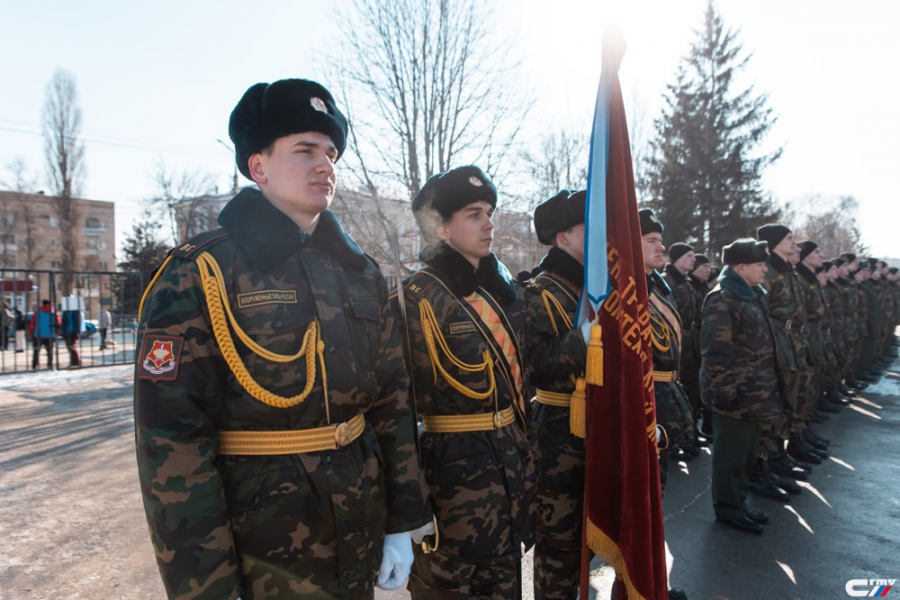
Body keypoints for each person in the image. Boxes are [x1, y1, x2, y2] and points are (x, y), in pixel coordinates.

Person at [134, 78, 431, 599]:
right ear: (259, 166)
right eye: (305, 150)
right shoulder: (200, 273)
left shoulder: (360, 274)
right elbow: (173, 446)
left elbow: (392, 401)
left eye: (331, 152)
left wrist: (401, 521)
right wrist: (207, 588)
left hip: (356, 539)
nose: (325, 165)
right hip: (262, 555)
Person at [397, 165, 534, 598]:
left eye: (489, 211)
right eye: (474, 213)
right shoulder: (415, 298)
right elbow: (394, 409)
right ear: (441, 228)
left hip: (509, 474)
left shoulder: (502, 293)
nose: (490, 223)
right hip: (450, 489)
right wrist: (407, 504)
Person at [525, 189, 588, 599]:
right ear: (563, 237)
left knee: (592, 541)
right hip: (559, 435)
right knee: (559, 548)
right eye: (593, 229)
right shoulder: (538, 291)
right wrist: (583, 341)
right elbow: (531, 364)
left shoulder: (602, 287)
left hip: (602, 428)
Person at [701, 239, 780, 534]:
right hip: (734, 395)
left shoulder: (751, 294)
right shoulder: (723, 298)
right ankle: (728, 509)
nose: (765, 270)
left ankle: (739, 503)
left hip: (754, 394)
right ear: (741, 267)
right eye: (760, 266)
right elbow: (716, 352)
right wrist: (724, 393)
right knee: (730, 457)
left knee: (746, 455)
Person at [640, 209, 695, 472]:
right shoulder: (623, 290)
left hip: (665, 397)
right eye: (651, 240)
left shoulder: (659, 288)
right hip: (645, 402)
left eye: (660, 240)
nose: (661, 246)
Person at [662, 243, 705, 448]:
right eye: (689, 256)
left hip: (691, 340)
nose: (694, 259)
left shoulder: (686, 282)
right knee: (680, 387)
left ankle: (692, 431)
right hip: (676, 340)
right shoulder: (666, 281)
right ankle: (679, 439)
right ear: (677, 258)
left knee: (692, 386)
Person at [29, 300, 59, 370]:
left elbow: (32, 324)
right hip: (50, 335)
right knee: (49, 351)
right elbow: (58, 323)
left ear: (42, 304)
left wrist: (31, 334)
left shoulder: (37, 313)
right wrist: (56, 333)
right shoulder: (54, 313)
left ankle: (34, 364)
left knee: (36, 351)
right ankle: (50, 364)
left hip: (38, 335)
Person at [61, 302, 84, 368]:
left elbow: (78, 322)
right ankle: (73, 361)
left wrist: (78, 331)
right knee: (69, 347)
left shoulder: (77, 311)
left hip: (74, 332)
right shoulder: (66, 311)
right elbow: (64, 321)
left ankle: (77, 361)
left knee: (72, 347)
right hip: (67, 332)